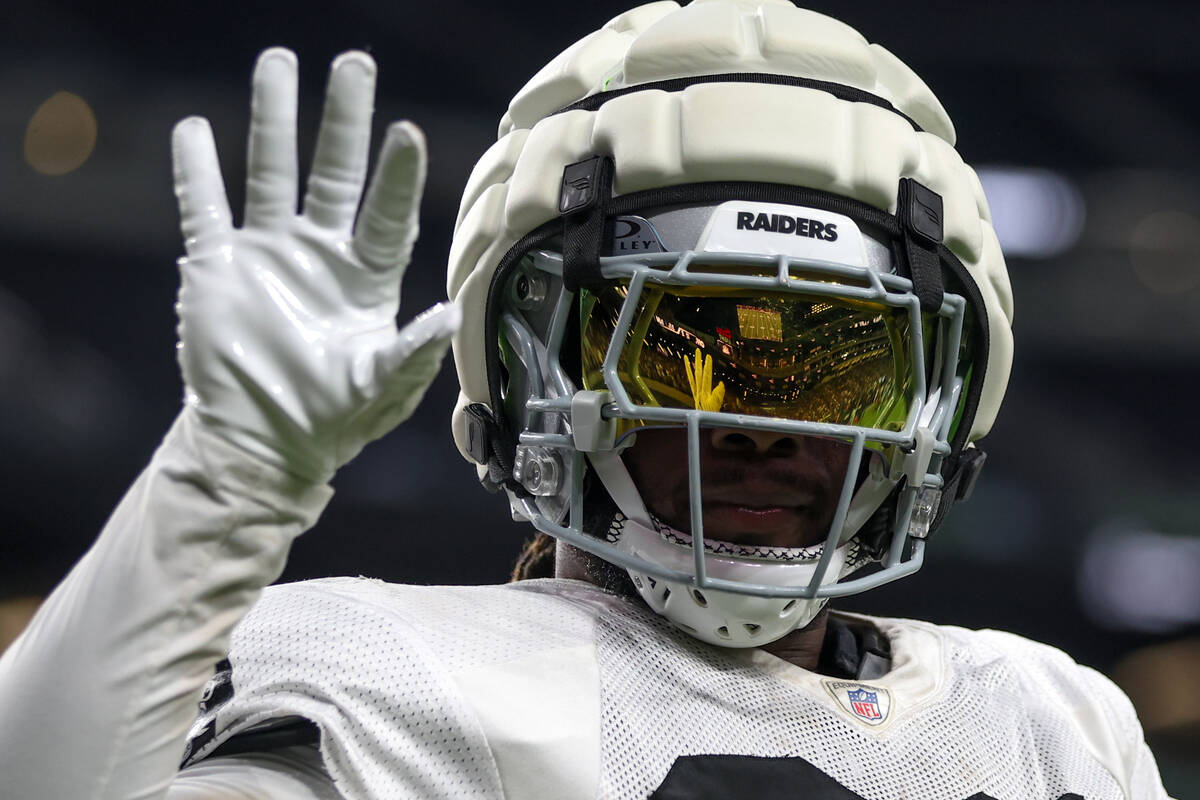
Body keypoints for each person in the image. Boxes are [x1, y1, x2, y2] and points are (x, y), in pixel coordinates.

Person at [0, 2, 1174, 798]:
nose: (766, 422)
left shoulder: (1050, 722)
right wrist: (227, 476)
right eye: (687, 350)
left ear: (930, 407)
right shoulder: (383, 680)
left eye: (835, 362)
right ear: (538, 370)